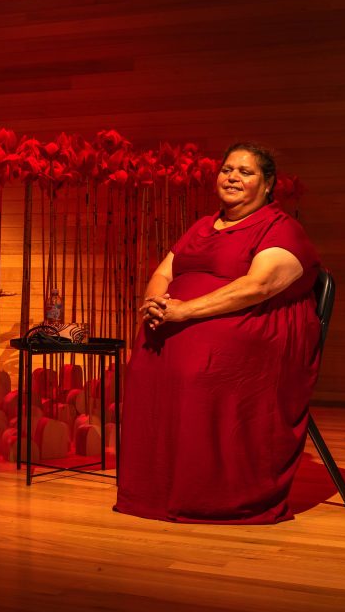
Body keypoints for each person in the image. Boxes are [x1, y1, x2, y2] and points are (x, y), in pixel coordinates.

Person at [114, 144, 321, 524]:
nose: (232, 177)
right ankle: (156, 490)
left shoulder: (281, 228)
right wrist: (155, 304)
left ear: (268, 183)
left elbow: (257, 287)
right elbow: (165, 270)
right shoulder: (201, 226)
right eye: (227, 169)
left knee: (198, 366)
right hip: (179, 319)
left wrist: (185, 310)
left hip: (251, 329)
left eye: (245, 172)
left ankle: (205, 493)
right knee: (147, 367)